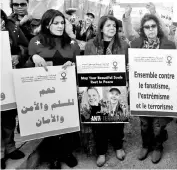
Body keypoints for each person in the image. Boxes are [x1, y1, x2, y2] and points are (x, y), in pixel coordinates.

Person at [27, 9, 80, 169]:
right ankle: (52, 157)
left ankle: (66, 153)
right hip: (45, 91)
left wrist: (73, 66)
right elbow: (27, 69)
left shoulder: (72, 44)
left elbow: (79, 67)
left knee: (68, 123)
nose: (60, 26)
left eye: (62, 23)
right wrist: (32, 58)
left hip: (67, 89)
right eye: (55, 23)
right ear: (46, 24)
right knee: (50, 124)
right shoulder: (35, 42)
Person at [130, 12, 175, 164]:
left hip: (160, 91)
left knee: (157, 123)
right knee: (144, 122)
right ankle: (145, 145)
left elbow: (172, 68)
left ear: (158, 27)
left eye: (153, 26)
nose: (150, 29)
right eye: (147, 27)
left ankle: (157, 146)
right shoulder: (136, 45)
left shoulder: (169, 45)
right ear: (142, 29)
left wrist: (176, 73)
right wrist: (130, 67)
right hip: (143, 91)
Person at [84, 15, 128, 167]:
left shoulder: (123, 45)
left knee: (117, 119)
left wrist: (127, 74)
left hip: (116, 86)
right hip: (97, 86)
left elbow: (127, 65)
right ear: (101, 28)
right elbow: (85, 67)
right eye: (108, 25)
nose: (112, 28)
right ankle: (101, 151)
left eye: (114, 26)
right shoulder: (90, 45)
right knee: (99, 121)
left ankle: (118, 146)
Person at [1, 10, 27, 169]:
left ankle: (10, 147)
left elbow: (24, 46)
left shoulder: (12, 31)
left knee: (8, 115)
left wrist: (18, 56)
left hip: (7, 80)